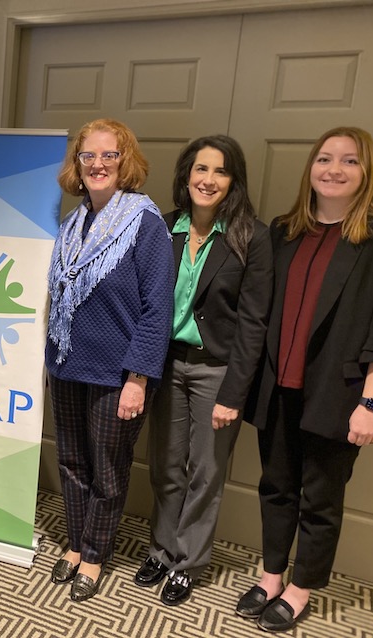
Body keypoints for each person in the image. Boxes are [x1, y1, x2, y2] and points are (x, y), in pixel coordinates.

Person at [236, 126, 373, 632]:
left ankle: (301, 588)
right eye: (324, 158)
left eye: (349, 161)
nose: (333, 169)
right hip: (277, 387)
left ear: (366, 172)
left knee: (320, 499)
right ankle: (272, 574)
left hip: (339, 394)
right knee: (276, 487)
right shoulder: (284, 231)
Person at [133, 135, 273, 606]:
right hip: (166, 364)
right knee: (166, 468)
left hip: (217, 371)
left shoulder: (252, 236)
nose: (208, 180)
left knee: (206, 472)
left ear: (233, 180)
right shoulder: (163, 226)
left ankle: (187, 562)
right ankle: (161, 548)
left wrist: (235, 392)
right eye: (200, 169)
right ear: (186, 175)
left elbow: (254, 324)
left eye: (219, 171)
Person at [46, 118, 173, 602]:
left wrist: (138, 379)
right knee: (72, 461)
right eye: (88, 156)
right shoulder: (73, 222)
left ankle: (95, 555)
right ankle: (76, 545)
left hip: (118, 374)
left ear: (126, 162)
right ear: (77, 165)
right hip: (66, 364)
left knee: (108, 468)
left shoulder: (145, 224)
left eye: (109, 155)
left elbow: (157, 308)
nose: (98, 164)